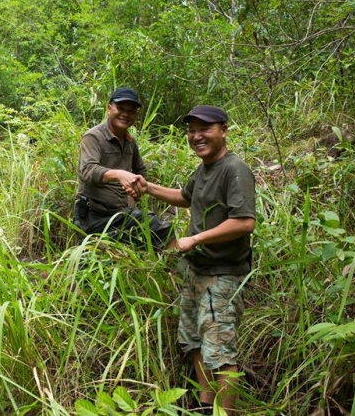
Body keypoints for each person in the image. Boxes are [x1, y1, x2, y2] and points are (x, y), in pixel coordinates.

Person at [143, 106, 255, 415]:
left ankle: (224, 413)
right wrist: (147, 187)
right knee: (195, 343)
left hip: (222, 275)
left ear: (223, 130)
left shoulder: (235, 169)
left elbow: (244, 222)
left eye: (204, 128)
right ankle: (205, 408)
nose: (197, 136)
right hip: (196, 271)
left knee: (221, 352)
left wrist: (195, 238)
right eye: (192, 130)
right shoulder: (205, 168)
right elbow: (184, 196)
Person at [74, 87, 175, 250]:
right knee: (92, 266)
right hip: (93, 216)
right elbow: (87, 170)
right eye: (120, 109)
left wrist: (133, 196)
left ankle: (172, 270)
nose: (125, 115)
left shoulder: (130, 142)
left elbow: (140, 170)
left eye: (131, 111)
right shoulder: (93, 137)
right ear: (109, 108)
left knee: (161, 230)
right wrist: (118, 175)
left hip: (121, 214)